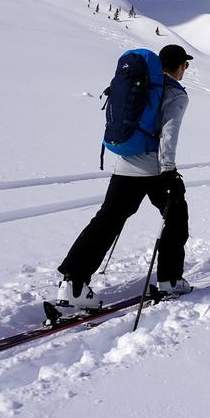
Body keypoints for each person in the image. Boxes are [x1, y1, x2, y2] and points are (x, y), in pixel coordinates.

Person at [54, 44, 194, 308]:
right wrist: (169, 171)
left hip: (124, 164)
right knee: (176, 216)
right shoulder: (176, 94)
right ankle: (170, 280)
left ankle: (73, 284)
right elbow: (169, 132)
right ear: (179, 66)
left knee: (107, 220)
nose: (185, 70)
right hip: (154, 169)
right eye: (185, 65)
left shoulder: (139, 84)